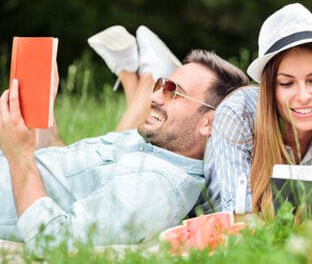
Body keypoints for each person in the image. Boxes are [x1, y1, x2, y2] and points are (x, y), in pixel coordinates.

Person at [0, 41, 249, 254]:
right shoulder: (151, 144)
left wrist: (19, 156)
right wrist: (44, 111)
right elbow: (66, 179)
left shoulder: (157, 188)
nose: (154, 97)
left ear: (210, 123)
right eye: (160, 85)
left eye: (174, 92)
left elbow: (54, 242)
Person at [204, 3, 312, 219]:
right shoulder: (237, 114)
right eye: (286, 84)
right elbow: (239, 219)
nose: (303, 96)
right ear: (269, 88)